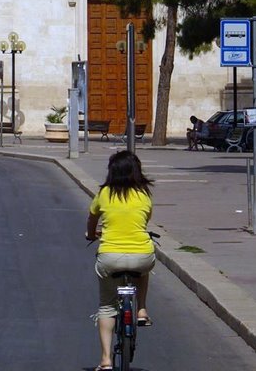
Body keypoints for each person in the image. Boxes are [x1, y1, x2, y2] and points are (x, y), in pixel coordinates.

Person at [86, 150, 155, 371]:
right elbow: (144, 221)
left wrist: (90, 234)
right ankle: (142, 310)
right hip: (141, 254)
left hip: (110, 257)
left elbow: (92, 218)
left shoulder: (104, 193)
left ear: (112, 172)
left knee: (107, 306)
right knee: (143, 271)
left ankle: (106, 361)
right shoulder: (144, 194)